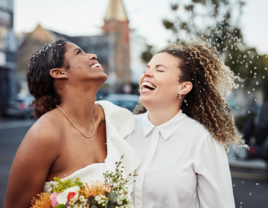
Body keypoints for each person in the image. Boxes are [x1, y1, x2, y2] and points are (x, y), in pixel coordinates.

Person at [4, 38, 140, 208]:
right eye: (79, 53)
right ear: (59, 72)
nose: (93, 55)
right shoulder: (45, 133)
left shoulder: (117, 118)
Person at [126, 41, 247, 208]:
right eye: (147, 69)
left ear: (183, 87)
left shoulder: (202, 140)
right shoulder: (124, 129)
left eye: (159, 70)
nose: (147, 74)